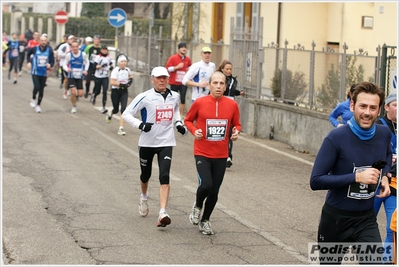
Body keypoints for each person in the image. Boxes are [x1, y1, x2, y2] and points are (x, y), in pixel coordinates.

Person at [309, 82, 392, 264]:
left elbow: (387, 154)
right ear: (352, 106)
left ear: (379, 111)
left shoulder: (384, 134)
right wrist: (356, 177)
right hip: (335, 220)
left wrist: (386, 175)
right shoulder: (336, 137)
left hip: (366, 219)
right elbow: (315, 181)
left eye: (373, 107)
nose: (367, 112)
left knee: (374, 263)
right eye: (362, 106)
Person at [122, 66, 187, 228]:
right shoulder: (145, 97)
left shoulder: (175, 96)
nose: (162, 81)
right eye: (159, 78)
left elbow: (176, 110)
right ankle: (144, 197)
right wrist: (141, 125)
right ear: (152, 80)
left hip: (166, 142)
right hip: (147, 143)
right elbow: (126, 113)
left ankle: (162, 212)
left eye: (164, 78)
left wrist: (178, 122)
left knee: (164, 176)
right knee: (146, 175)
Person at [184, 71, 241, 235]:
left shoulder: (232, 105)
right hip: (202, 152)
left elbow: (236, 124)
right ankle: (197, 205)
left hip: (222, 155)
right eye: (215, 83)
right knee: (206, 185)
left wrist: (236, 133)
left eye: (221, 83)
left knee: (215, 191)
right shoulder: (200, 103)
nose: (218, 86)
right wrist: (195, 131)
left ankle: (205, 220)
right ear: (209, 85)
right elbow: (188, 120)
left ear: (225, 86)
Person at [374, 92, 397, 262]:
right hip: (375, 182)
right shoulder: (378, 126)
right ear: (387, 107)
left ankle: (384, 261)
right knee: (364, 224)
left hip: (394, 184)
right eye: (395, 104)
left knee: (393, 228)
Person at [217, 59, 244, 168]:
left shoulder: (233, 80)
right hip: (220, 104)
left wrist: (239, 93)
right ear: (222, 69)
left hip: (231, 105)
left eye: (230, 69)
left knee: (229, 132)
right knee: (221, 131)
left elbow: (231, 91)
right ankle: (219, 154)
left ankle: (228, 156)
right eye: (227, 69)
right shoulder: (218, 79)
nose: (229, 71)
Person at [27, 35, 55, 113]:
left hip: (43, 72)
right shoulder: (35, 49)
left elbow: (52, 60)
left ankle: (38, 105)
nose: (43, 42)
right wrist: (29, 62)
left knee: (41, 89)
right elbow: (28, 54)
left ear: (46, 41)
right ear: (39, 41)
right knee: (37, 86)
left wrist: (50, 65)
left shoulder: (49, 50)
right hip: (35, 71)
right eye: (42, 40)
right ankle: (33, 98)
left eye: (45, 41)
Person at [106, 55, 132, 136]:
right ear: (118, 63)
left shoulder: (128, 70)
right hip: (115, 91)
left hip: (124, 91)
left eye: (125, 61)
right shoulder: (115, 70)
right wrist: (121, 85)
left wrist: (130, 81)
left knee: (123, 109)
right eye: (122, 61)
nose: (123, 63)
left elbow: (131, 76)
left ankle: (121, 128)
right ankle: (111, 113)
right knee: (116, 109)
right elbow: (112, 82)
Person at [166, 42, 192, 119]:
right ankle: (172, 114)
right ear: (179, 49)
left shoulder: (187, 59)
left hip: (183, 82)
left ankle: (180, 116)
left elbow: (191, 67)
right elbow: (168, 69)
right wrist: (176, 67)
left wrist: (188, 69)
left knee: (183, 98)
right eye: (182, 47)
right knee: (173, 99)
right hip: (174, 82)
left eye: (185, 47)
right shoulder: (173, 58)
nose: (184, 49)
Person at [62, 40, 89, 114]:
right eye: (73, 47)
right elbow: (64, 64)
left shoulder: (83, 54)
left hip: (79, 76)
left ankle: (75, 96)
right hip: (71, 76)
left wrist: (85, 70)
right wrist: (67, 69)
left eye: (76, 47)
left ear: (78, 47)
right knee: (73, 92)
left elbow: (87, 62)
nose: (75, 48)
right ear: (71, 47)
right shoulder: (69, 55)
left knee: (80, 94)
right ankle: (74, 106)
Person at [91, 45, 113, 113]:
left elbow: (111, 64)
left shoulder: (109, 57)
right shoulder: (98, 57)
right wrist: (101, 66)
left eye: (105, 49)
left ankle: (103, 107)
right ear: (101, 50)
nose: (104, 51)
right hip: (98, 76)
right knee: (98, 90)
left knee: (105, 91)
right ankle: (94, 95)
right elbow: (94, 66)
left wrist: (111, 67)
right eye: (103, 49)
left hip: (105, 76)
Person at [58, 35, 75, 99]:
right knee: (66, 79)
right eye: (71, 39)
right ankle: (65, 90)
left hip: (73, 65)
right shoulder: (64, 46)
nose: (72, 40)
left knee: (72, 79)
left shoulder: (75, 47)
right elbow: (59, 53)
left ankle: (69, 89)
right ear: (67, 40)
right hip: (64, 65)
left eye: (73, 39)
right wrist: (67, 54)